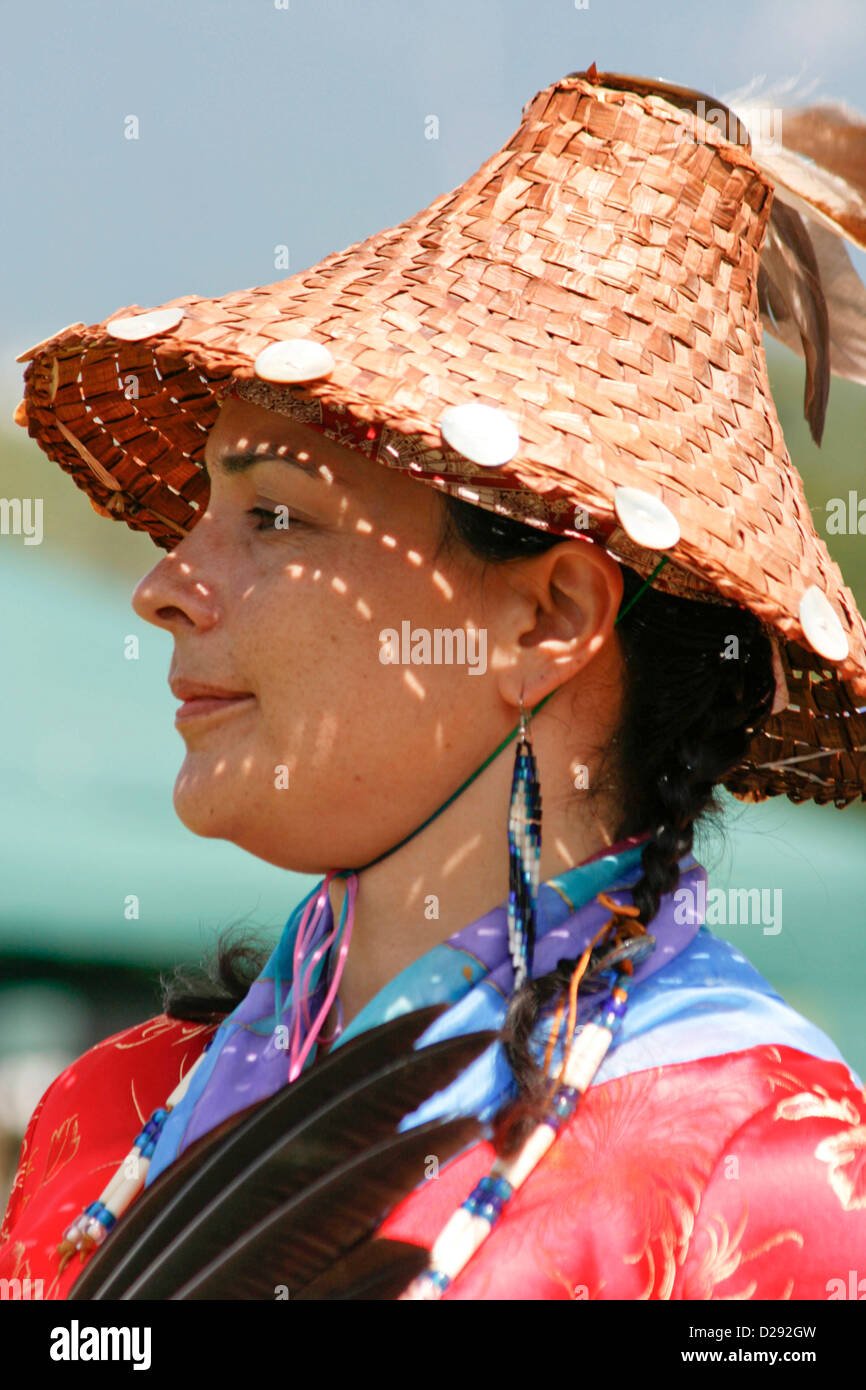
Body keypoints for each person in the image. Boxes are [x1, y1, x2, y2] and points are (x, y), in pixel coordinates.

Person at [2, 66, 866, 1301]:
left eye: (277, 516)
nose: (168, 584)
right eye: (201, 511)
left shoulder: (769, 1173)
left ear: (545, 616)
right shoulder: (110, 1117)